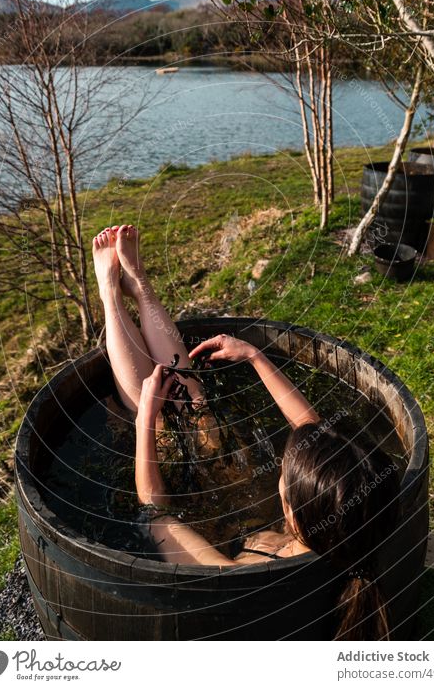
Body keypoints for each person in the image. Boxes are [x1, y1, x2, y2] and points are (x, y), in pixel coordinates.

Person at [93, 224, 400, 640]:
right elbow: (313, 432)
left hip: (211, 524)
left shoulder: (240, 575)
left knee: (169, 419)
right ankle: (140, 286)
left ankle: (111, 296)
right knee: (199, 410)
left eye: (287, 476)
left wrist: (146, 419)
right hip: (245, 513)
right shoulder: (352, 530)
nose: (282, 473)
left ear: (293, 510)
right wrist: (255, 357)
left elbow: (153, 513)